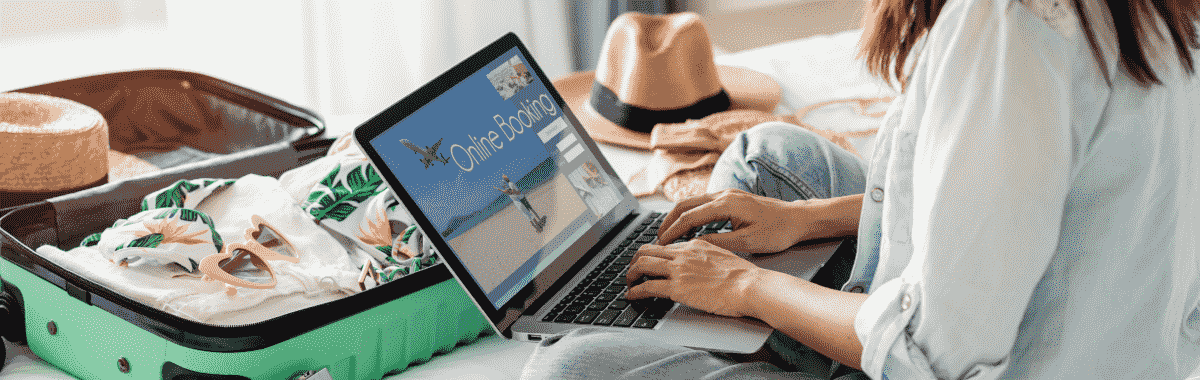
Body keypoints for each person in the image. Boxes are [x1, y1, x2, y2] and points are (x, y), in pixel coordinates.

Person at [519, 0, 1200, 378]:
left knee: (566, 372)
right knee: (768, 155)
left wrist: (747, 289)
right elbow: (1026, 205)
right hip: (1105, 328)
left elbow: (928, 357)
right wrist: (805, 219)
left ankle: (783, 343)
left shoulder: (1011, 27)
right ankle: (782, 327)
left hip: (946, 359)